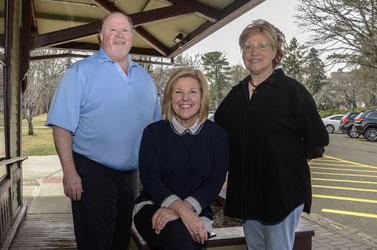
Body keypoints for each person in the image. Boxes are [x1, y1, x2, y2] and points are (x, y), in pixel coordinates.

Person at [45, 12, 161, 250]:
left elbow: (156, 131)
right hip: (91, 175)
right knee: (95, 244)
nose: (119, 36)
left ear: (132, 36)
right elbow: (61, 125)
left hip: (130, 179)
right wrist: (69, 172)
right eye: (112, 30)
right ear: (101, 37)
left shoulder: (145, 79)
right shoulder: (80, 73)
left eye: (125, 30)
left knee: (120, 243)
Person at [214, 19, 329, 250]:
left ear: (275, 51)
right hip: (248, 193)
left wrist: (288, 163)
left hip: (282, 193)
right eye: (248, 46)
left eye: (262, 45)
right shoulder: (235, 96)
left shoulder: (292, 91)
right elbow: (219, 134)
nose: (254, 52)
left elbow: (317, 139)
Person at [133, 68, 229, 250]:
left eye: (192, 92)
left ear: (202, 97)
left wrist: (183, 211)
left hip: (198, 210)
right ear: (170, 98)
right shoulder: (153, 133)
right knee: (181, 237)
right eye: (179, 92)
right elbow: (150, 180)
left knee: (189, 236)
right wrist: (181, 210)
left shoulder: (217, 135)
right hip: (153, 207)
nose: (185, 98)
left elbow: (215, 180)